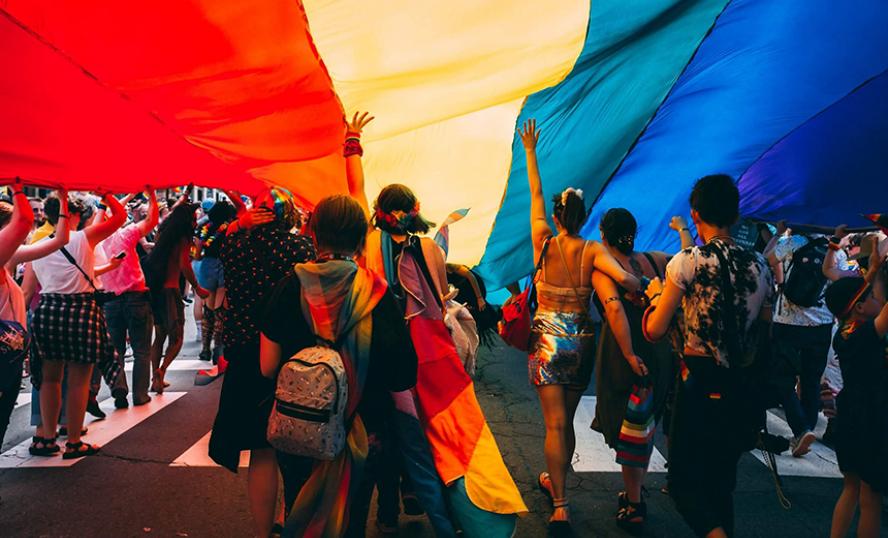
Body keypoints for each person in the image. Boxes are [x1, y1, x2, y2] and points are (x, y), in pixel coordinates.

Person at [259, 194, 418, 537]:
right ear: (362, 241)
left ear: (313, 236)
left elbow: (268, 366)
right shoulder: (378, 295)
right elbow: (403, 374)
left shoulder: (290, 287)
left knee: (299, 510)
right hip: (362, 432)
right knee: (353, 518)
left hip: (298, 428)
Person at [518, 119, 639, 535]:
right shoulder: (592, 250)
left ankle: (561, 505)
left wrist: (531, 152)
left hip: (548, 336)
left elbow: (534, 193)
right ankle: (557, 484)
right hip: (581, 339)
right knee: (565, 423)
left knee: (552, 425)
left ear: (557, 214)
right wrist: (644, 286)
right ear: (585, 217)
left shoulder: (543, 241)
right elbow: (624, 280)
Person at [643, 174, 773, 537]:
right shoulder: (761, 267)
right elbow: (765, 331)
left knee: (683, 484)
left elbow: (654, 329)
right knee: (721, 486)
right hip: (741, 385)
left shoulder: (687, 262)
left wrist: (655, 296)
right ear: (735, 216)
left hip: (698, 382)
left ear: (695, 215)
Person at [208, 187, 315, 538]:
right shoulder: (301, 248)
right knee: (297, 445)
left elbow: (212, 243)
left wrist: (238, 225)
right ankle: (290, 518)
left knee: (262, 450)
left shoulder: (235, 246)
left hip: (245, 355)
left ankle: (262, 530)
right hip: (291, 354)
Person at [592, 208, 674, 531]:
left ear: (603, 234)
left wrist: (627, 354)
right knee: (645, 423)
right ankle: (632, 491)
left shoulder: (604, 271)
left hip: (625, 354)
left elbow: (613, 310)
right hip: (659, 349)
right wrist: (682, 231)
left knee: (629, 428)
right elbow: (685, 262)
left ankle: (635, 502)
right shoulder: (655, 261)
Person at [29, 191, 127, 459]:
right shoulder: (84, 237)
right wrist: (104, 192)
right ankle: (73, 441)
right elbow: (121, 217)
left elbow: (30, 289)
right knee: (78, 382)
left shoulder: (37, 245)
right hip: (81, 309)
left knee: (49, 379)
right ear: (70, 214)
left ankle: (47, 438)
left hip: (47, 310)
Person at [1, 181, 68, 444]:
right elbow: (24, 221)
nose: (28, 231)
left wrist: (63, 200)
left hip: (10, 355)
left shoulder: (11, 257)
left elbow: (60, 239)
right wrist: (17, 186)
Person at [824, 274, 887, 538]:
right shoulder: (866, 333)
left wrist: (873, 268)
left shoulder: (844, 331)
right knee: (871, 497)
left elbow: (865, 292)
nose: (879, 301)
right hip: (871, 416)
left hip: (848, 414)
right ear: (859, 307)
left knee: (850, 487)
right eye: (874, 298)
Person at [765, 226, 835, 456]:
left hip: (788, 322)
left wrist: (777, 233)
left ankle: (801, 429)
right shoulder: (833, 249)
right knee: (811, 381)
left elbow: (767, 259)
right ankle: (806, 431)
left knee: (782, 379)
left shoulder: (791, 242)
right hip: (821, 324)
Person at [97, 190, 160, 407]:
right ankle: (140, 395)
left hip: (111, 301)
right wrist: (151, 194)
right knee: (142, 349)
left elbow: (114, 213)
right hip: (136, 297)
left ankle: (119, 389)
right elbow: (152, 220)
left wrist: (111, 202)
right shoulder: (127, 234)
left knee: (116, 351)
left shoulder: (94, 240)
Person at [145, 203, 208, 393]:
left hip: (155, 291)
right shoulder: (183, 238)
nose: (196, 220)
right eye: (194, 217)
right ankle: (161, 370)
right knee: (177, 337)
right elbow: (184, 265)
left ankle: (154, 378)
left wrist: (186, 197)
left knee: (160, 336)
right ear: (187, 220)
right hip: (170, 291)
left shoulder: (162, 233)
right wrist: (197, 287)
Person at [194, 200, 237, 362]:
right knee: (221, 311)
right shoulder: (232, 227)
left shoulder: (204, 228)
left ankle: (205, 349)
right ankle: (218, 349)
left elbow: (197, 253)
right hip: (226, 265)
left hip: (208, 264)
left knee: (208, 308)